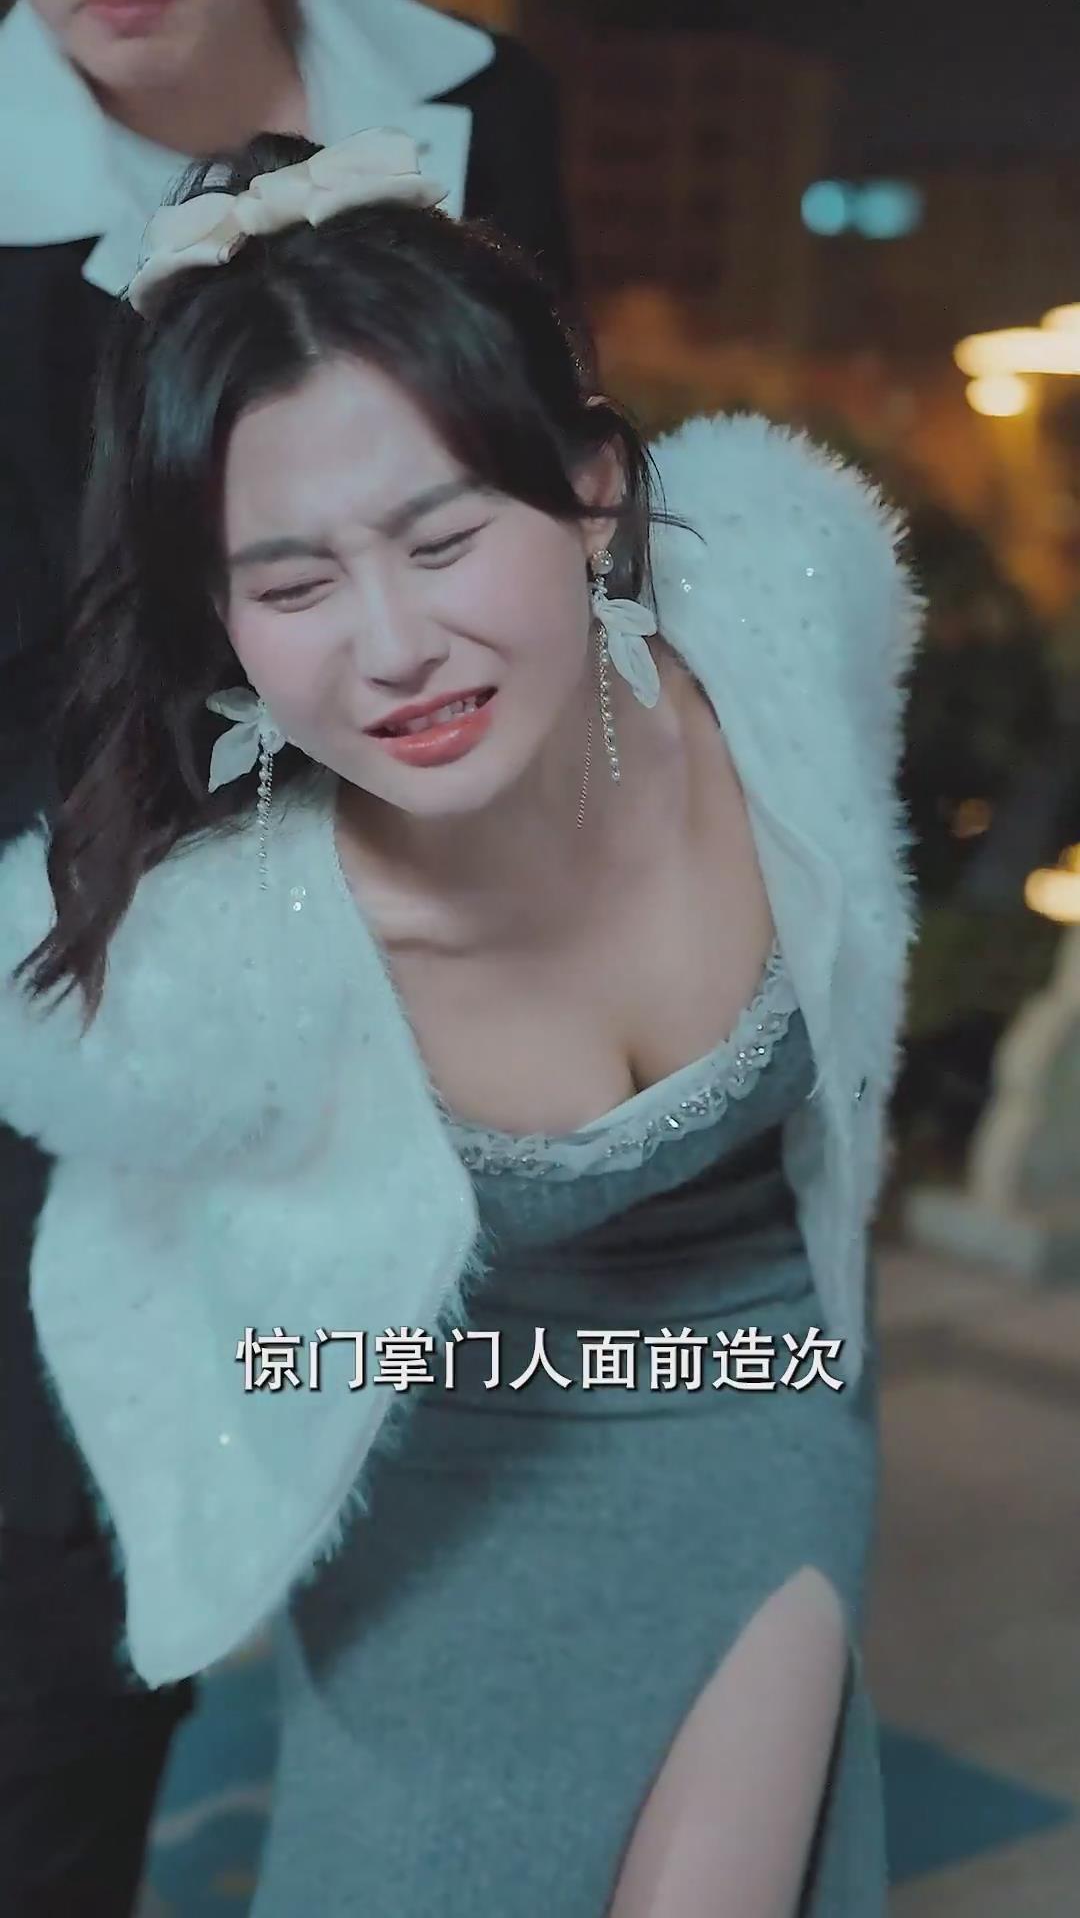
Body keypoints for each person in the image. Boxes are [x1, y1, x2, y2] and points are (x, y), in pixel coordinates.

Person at [0, 128, 920, 1915]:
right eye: (292, 586)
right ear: (218, 617)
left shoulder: (781, 638)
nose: (392, 647)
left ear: (592, 494)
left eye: (441, 540)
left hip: (776, 1396)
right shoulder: (209, 975)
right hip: (440, 1495)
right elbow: (180, 1340)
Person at [0, 3, 573, 1912]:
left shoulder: (478, 102)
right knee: (64, 1636)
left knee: (490, 1589)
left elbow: (532, 491)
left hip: (461, 948)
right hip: (83, 964)